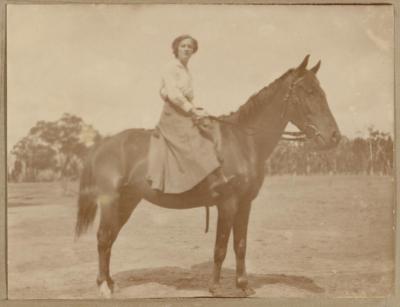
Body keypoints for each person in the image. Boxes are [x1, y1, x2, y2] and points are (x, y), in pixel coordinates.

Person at [146, 34, 232, 196]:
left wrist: (198, 109)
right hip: (173, 113)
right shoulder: (170, 67)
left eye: (190, 47)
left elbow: (188, 96)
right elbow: (173, 93)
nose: (187, 49)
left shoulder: (186, 71)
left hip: (184, 110)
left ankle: (212, 176)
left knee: (209, 129)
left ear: (194, 51)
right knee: (196, 139)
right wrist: (191, 109)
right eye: (183, 46)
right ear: (176, 48)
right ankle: (210, 182)